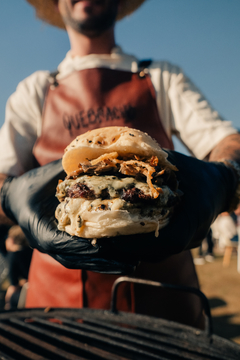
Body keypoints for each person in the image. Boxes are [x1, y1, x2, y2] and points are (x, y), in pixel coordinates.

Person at [0, 0, 240, 329]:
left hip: (165, 311)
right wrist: (11, 196)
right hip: (57, 315)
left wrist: (224, 176)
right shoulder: (33, 91)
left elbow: (227, 142)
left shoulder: (162, 77)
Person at [4, 225, 32, 309]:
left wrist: (7, 302)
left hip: (24, 293)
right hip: (36, 288)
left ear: (12, 240)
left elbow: (14, 285)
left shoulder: (13, 255)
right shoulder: (31, 251)